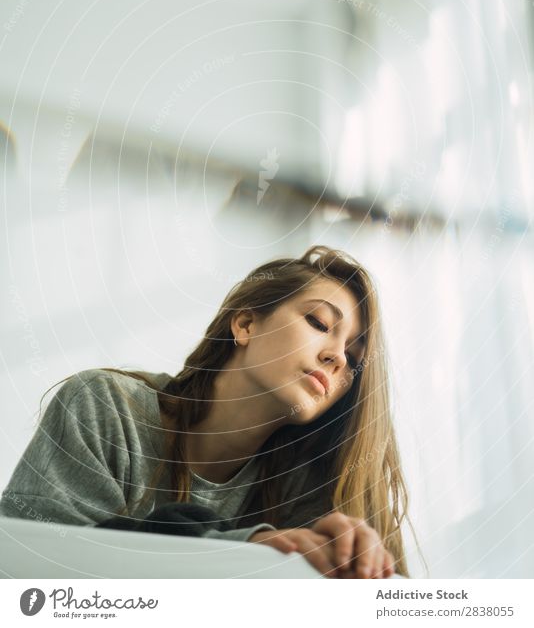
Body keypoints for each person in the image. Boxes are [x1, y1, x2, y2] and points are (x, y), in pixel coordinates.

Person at [0, 245, 414, 579]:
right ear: (246, 325)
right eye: (320, 322)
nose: (337, 357)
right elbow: (30, 574)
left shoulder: (306, 488)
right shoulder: (107, 407)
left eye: (354, 359)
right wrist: (240, 553)